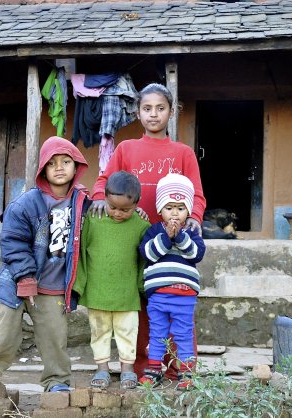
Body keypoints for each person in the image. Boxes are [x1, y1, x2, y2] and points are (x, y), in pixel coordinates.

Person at [89, 83, 206, 378]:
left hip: (175, 245)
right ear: (137, 112)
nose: (153, 115)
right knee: (143, 306)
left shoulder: (183, 153)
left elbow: (198, 196)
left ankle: (181, 367)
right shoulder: (126, 149)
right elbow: (104, 182)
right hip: (136, 239)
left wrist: (193, 218)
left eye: (160, 108)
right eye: (147, 108)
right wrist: (99, 199)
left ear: (171, 111)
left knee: (178, 304)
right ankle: (146, 367)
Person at [0, 136, 89, 393]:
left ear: (77, 166)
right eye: (52, 164)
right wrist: (25, 278)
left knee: (54, 336)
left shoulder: (83, 204)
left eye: (66, 161)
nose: (60, 167)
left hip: (54, 285)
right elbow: (13, 242)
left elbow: (108, 219)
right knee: (6, 325)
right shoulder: (26, 204)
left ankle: (57, 381)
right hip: (20, 280)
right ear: (43, 170)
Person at [73, 171, 150, 390]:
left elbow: (144, 261)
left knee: (128, 330)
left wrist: (141, 287)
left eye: (125, 210)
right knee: (99, 330)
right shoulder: (93, 220)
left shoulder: (141, 226)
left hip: (127, 292)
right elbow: (80, 253)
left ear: (137, 204)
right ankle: (102, 368)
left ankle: (127, 368)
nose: (117, 213)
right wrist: (80, 285)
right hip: (98, 290)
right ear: (104, 198)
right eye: (112, 207)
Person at [138, 173, 206, 390]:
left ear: (188, 210)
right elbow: (147, 253)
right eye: (169, 208)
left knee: (183, 334)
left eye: (180, 207)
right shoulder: (154, 231)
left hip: (184, 295)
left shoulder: (191, 233)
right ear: (160, 209)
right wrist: (167, 237)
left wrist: (180, 237)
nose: (174, 213)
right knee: (157, 333)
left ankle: (186, 373)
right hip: (158, 295)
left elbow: (197, 253)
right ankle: (154, 370)